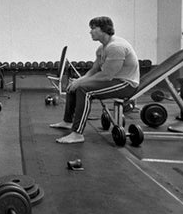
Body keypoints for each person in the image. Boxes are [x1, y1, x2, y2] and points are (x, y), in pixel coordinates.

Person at [50, 16, 140, 144]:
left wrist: (81, 83)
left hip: (126, 84)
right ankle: (67, 121)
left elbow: (107, 75)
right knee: (73, 86)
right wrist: (78, 80)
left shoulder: (116, 47)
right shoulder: (102, 48)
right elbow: (94, 70)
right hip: (113, 80)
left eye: (93, 28)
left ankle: (77, 134)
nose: (90, 32)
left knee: (84, 90)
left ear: (104, 29)